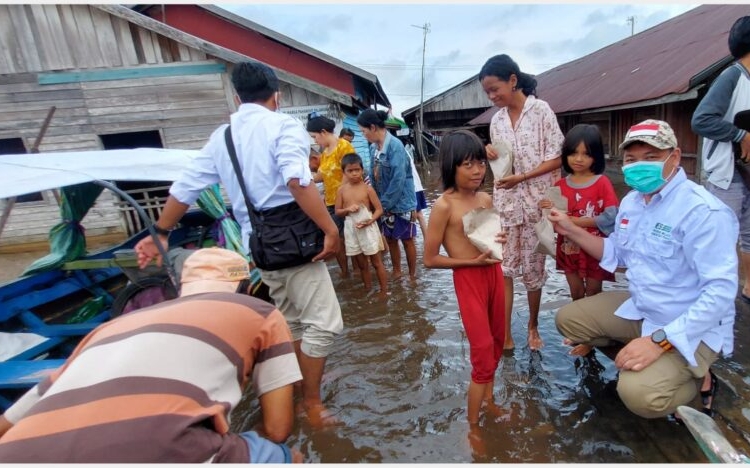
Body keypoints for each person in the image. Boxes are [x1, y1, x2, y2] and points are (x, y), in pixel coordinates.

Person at [133, 61, 343, 427]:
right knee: (324, 324)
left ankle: (296, 395)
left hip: (260, 247)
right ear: (276, 96)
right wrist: (331, 229)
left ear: (236, 96)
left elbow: (186, 188)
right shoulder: (283, 127)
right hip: (295, 242)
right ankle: (311, 403)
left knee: (292, 321)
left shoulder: (222, 137)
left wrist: (161, 232)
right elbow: (298, 181)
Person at [0, 248, 304, 462]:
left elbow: (8, 423)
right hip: (160, 449)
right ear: (247, 287)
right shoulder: (259, 311)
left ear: (181, 289)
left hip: (17, 454)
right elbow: (277, 429)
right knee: (290, 456)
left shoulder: (109, 327)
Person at [550, 119, 737, 420]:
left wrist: (659, 341)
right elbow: (615, 253)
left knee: (639, 395)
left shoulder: (703, 211)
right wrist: (570, 229)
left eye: (651, 157)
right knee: (568, 320)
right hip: (644, 309)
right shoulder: (633, 203)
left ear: (674, 157)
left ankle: (699, 378)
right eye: (631, 159)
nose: (640, 166)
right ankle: (645, 361)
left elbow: (721, 293)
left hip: (690, 325)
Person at [479, 54, 564, 351]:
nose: (492, 96)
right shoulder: (497, 121)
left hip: (537, 203)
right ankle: (505, 333)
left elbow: (556, 157)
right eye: (487, 92)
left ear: (513, 80)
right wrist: (492, 153)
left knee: (534, 269)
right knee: (505, 269)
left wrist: (523, 177)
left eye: (494, 89)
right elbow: (502, 164)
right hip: (507, 204)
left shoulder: (541, 111)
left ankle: (532, 326)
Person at [423, 130, 506, 425]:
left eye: (480, 164)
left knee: (497, 342)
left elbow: (488, 239)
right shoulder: (444, 205)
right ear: (451, 166)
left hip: (494, 273)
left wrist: (500, 239)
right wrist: (469, 262)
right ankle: (472, 427)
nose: (477, 171)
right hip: (469, 280)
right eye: (467, 164)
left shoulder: (484, 197)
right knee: (482, 350)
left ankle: (490, 401)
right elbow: (430, 259)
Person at [538, 124, 619, 356]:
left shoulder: (601, 182)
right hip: (569, 248)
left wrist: (572, 222)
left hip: (594, 248)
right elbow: (554, 220)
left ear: (595, 156)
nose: (579, 159)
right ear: (565, 155)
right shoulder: (560, 185)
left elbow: (610, 218)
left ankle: (592, 339)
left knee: (593, 290)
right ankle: (579, 330)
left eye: (586, 154)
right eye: (573, 153)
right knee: (575, 290)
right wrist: (548, 209)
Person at [691, 15, 750, 303]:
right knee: (722, 236)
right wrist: (741, 136)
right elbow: (701, 120)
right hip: (728, 173)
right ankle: (713, 296)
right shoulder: (733, 76)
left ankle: (747, 286)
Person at [357, 109, 418, 281]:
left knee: (407, 240)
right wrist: (375, 202)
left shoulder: (395, 146)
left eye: (363, 131)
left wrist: (382, 205)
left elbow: (398, 179)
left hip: (401, 202)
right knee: (390, 239)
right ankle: (398, 272)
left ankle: (412, 276)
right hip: (384, 202)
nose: (363, 135)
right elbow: (373, 176)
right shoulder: (373, 148)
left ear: (373, 127)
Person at [307, 115, 356, 277]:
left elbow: (350, 173)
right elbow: (322, 175)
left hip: (348, 202)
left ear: (323, 132)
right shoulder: (325, 153)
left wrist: (341, 197)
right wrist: (305, 180)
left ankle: (358, 271)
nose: (316, 141)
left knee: (352, 238)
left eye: (315, 137)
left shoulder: (344, 147)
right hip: (330, 203)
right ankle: (345, 272)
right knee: (337, 239)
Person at [335, 153, 388, 297]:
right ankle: (368, 289)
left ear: (362, 170)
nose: (354, 174)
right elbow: (338, 211)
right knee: (362, 264)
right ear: (344, 172)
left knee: (376, 262)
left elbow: (379, 209)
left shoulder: (367, 189)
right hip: (351, 227)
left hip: (368, 226)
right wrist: (347, 209)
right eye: (350, 171)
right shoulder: (341, 190)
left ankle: (384, 291)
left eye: (357, 170)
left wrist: (370, 221)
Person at [404, 138, 428, 237]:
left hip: (412, 188)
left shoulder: (401, 152)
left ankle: (427, 240)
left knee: (417, 215)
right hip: (415, 187)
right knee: (417, 215)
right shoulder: (404, 151)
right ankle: (426, 240)